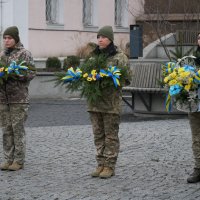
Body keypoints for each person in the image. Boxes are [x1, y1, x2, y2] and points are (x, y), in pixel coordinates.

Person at [86, 25, 131, 178]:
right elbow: (86, 74)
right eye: (98, 37)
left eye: (103, 37)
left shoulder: (120, 57)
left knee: (111, 136)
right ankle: (100, 164)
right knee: (98, 135)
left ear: (110, 39)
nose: (100, 39)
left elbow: (126, 79)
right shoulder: (93, 56)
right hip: (95, 103)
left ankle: (109, 166)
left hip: (111, 104)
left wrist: (109, 79)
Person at [0, 26, 36, 171]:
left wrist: (16, 73)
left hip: (18, 99)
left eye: (9, 38)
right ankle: (8, 159)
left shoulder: (24, 54)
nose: (6, 41)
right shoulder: (2, 55)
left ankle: (19, 160)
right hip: (3, 98)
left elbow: (31, 73)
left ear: (16, 39)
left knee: (17, 129)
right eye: (5, 38)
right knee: (6, 129)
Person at [187, 32, 200, 183]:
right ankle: (198, 168)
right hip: (194, 103)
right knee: (196, 138)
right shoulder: (191, 60)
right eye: (198, 37)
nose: (199, 40)